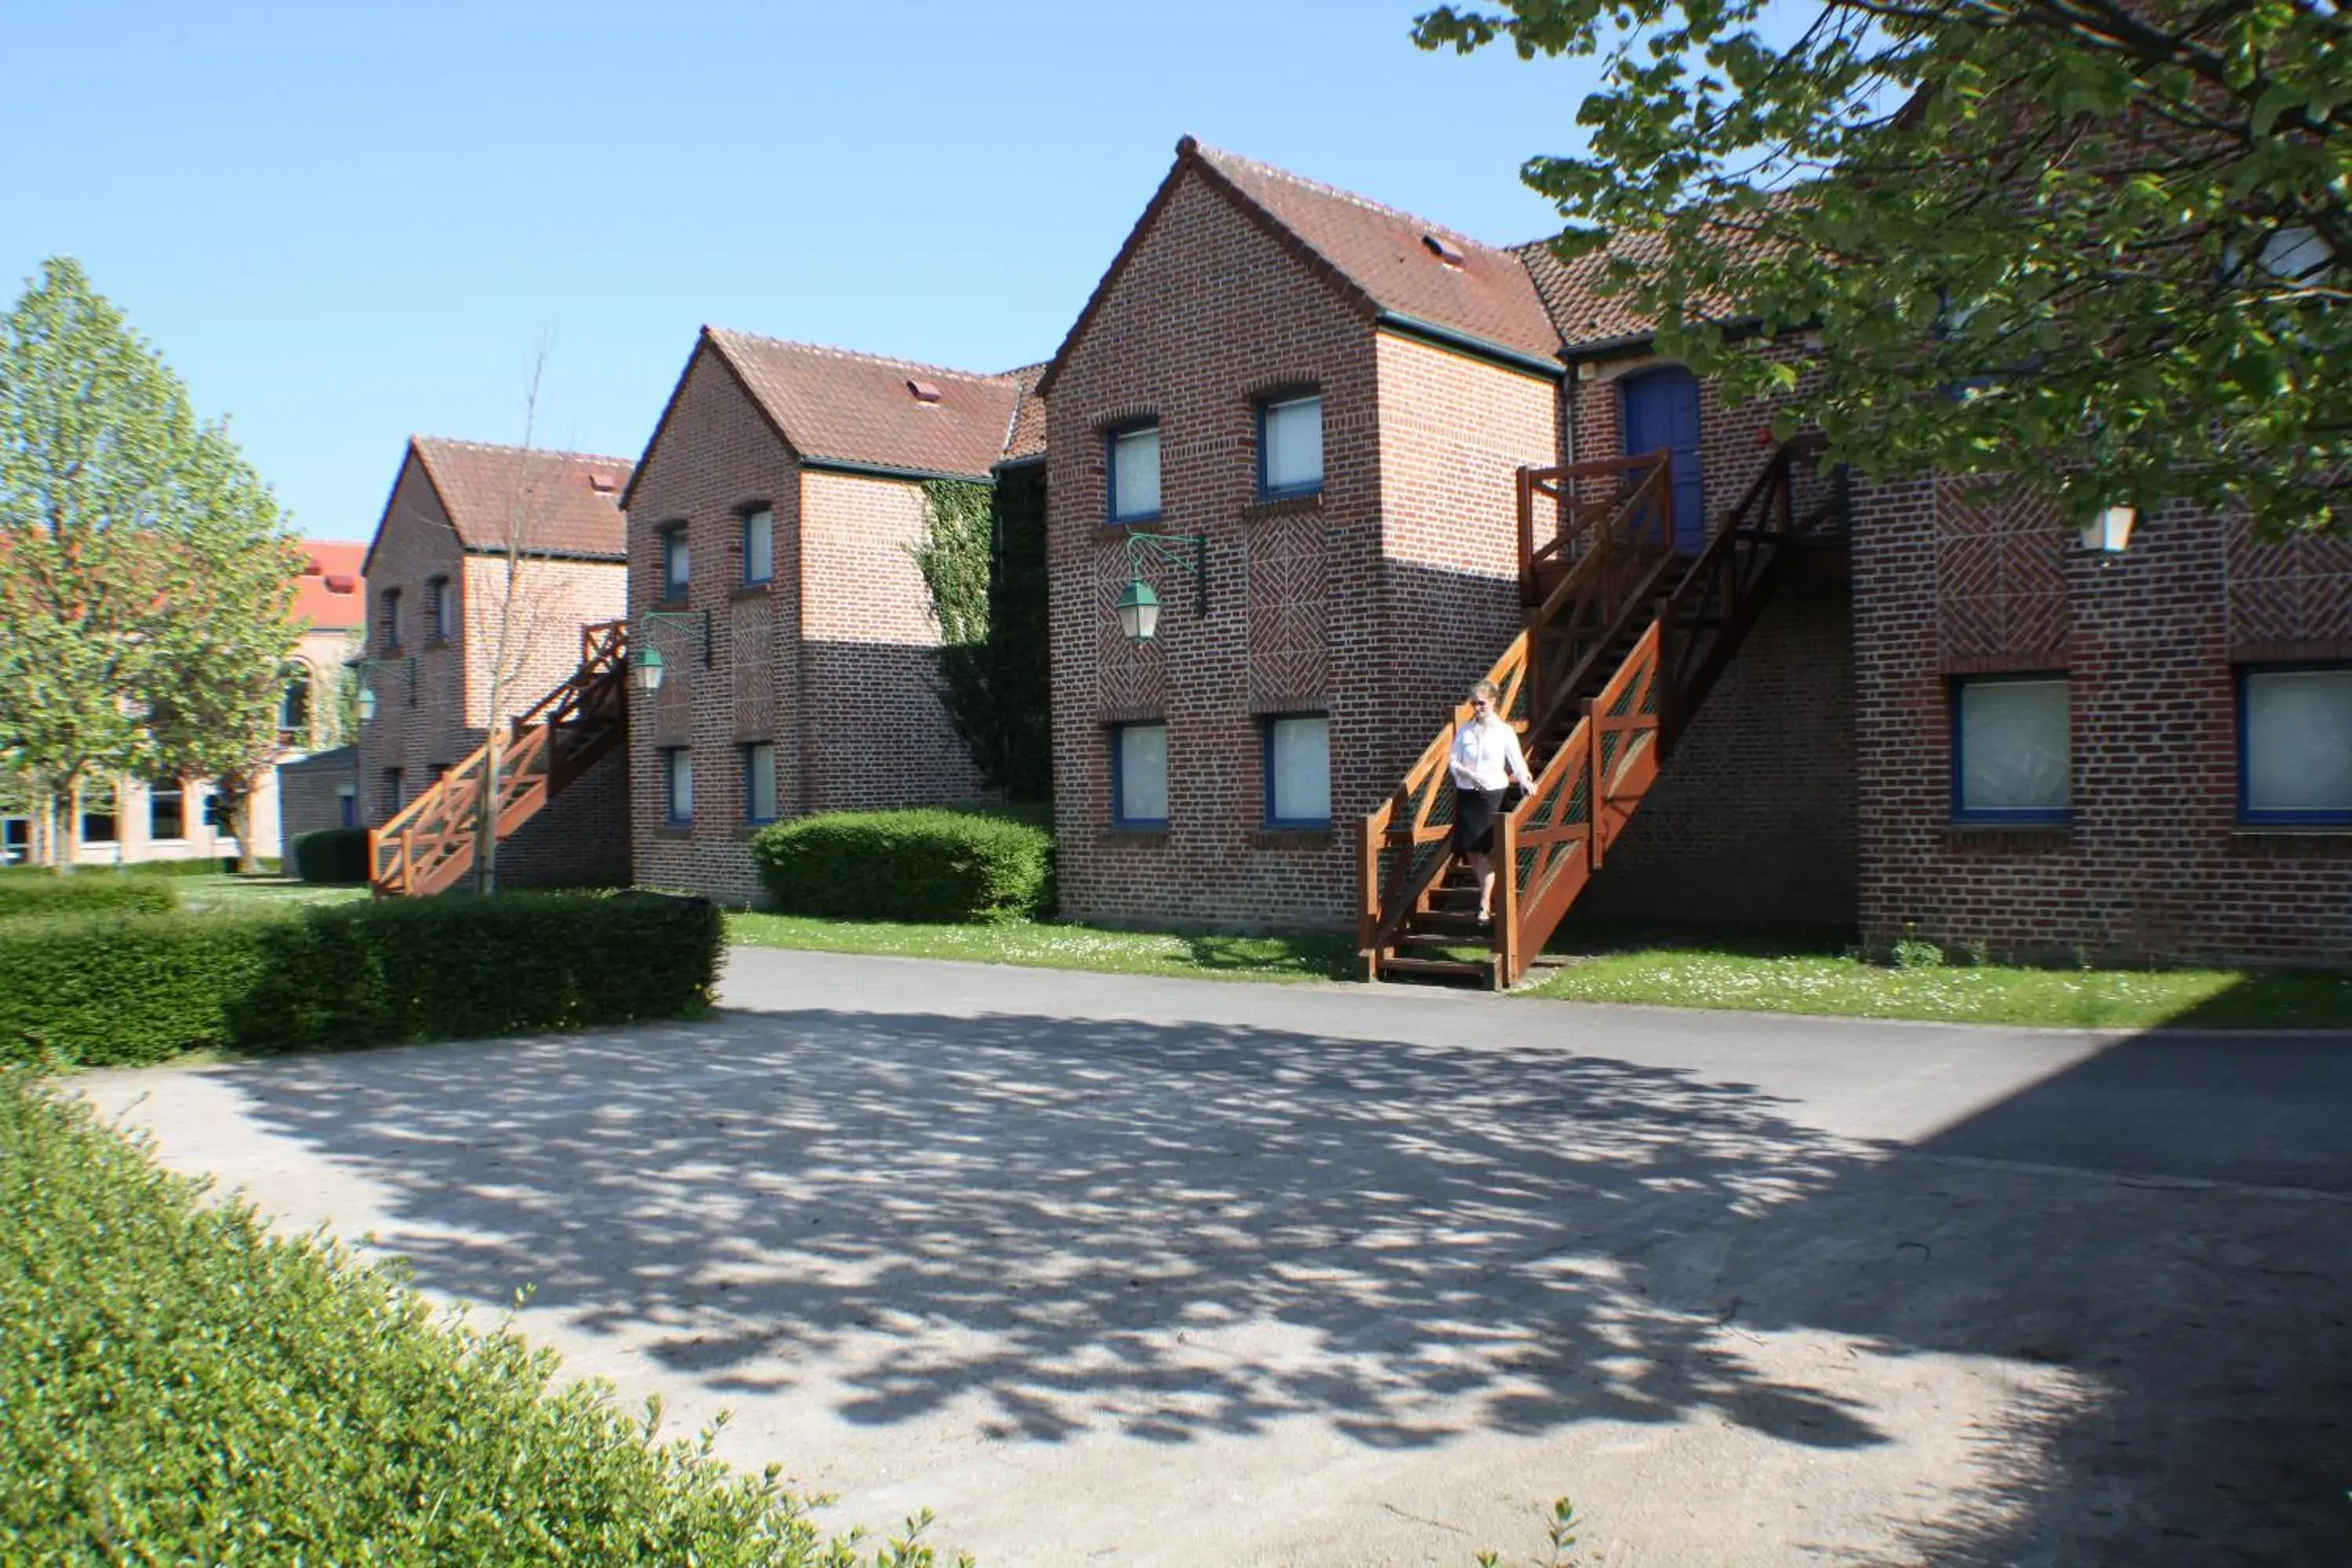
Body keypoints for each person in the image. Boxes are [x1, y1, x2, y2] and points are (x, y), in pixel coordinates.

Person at [1448, 678, 1536, 924]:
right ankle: (1486, 895)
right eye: (1474, 704)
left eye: (1482, 703)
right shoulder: (1465, 731)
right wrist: (1466, 773)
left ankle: (1484, 903)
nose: (1477, 708)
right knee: (1471, 851)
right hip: (1468, 794)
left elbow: (1517, 762)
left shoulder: (1504, 732)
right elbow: (1453, 762)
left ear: (1493, 702)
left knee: (1487, 850)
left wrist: (1526, 781)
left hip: (1492, 794)